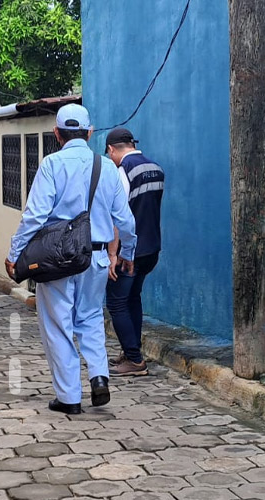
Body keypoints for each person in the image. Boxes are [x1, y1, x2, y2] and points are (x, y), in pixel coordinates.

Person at [5, 104, 138, 414]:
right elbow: (126, 221)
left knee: (58, 324)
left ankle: (69, 398)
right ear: (90, 133)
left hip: (58, 259)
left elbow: (35, 215)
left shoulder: (51, 164)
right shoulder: (106, 167)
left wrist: (15, 255)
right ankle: (99, 376)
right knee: (91, 317)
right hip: (97, 257)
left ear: (56, 133)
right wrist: (127, 253)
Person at [104, 128, 164, 377]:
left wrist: (113, 254)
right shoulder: (155, 168)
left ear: (111, 149)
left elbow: (120, 217)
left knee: (117, 303)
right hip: (152, 247)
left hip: (130, 250)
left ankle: (135, 360)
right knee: (133, 299)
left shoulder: (122, 172)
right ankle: (131, 351)